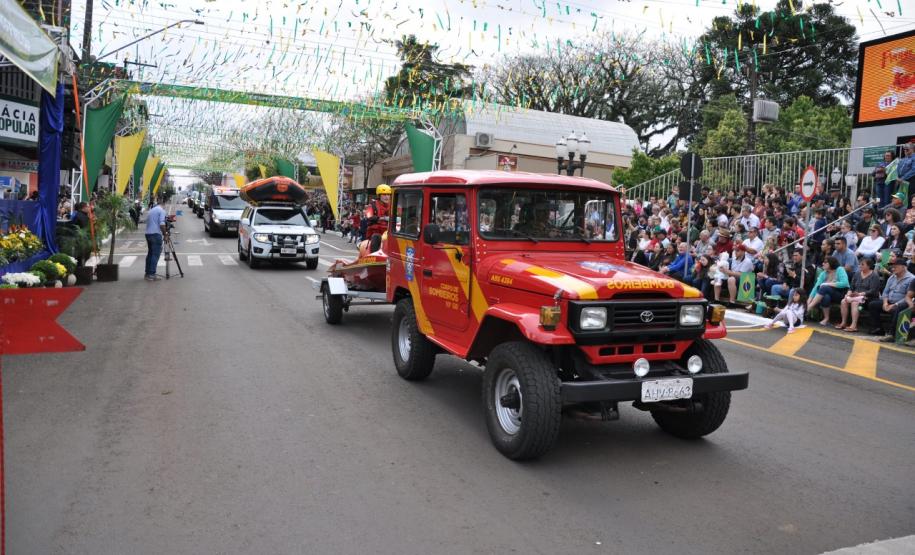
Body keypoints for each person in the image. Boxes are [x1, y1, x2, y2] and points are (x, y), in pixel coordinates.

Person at [866, 256, 914, 338]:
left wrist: (894, 305)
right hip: (888, 301)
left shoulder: (911, 278)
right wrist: (885, 303)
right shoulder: (892, 277)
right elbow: (885, 292)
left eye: (895, 267)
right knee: (873, 304)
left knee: (896, 309)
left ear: (903, 267)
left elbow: (908, 296)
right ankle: (878, 328)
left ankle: (892, 333)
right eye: (892, 267)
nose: (893, 269)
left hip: (900, 303)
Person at [836, 258, 881, 332]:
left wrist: (860, 294)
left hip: (867, 298)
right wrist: (848, 294)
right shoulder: (857, 273)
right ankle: (843, 322)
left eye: (862, 264)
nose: (860, 266)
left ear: (869, 266)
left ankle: (854, 325)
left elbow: (873, 290)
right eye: (860, 264)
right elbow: (852, 287)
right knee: (843, 301)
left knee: (855, 303)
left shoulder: (874, 276)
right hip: (855, 296)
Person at [808, 256, 850, 326]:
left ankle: (809, 308)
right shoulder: (823, 273)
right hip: (829, 295)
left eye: (825, 262)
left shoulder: (840, 269)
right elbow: (815, 288)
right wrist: (808, 301)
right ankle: (826, 318)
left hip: (841, 294)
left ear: (831, 263)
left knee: (824, 287)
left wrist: (828, 284)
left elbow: (845, 283)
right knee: (825, 297)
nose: (823, 264)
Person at [145, 196, 167, 282]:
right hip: (155, 234)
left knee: (150, 254)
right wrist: (165, 234)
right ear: (163, 204)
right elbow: (162, 224)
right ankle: (152, 274)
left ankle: (147, 273)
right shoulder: (162, 211)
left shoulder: (152, 210)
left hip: (148, 234)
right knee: (155, 254)